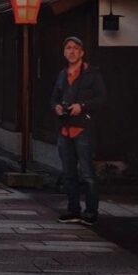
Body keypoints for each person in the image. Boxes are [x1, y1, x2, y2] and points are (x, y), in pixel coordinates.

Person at [50, 35, 106, 226]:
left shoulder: (92, 74)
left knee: (87, 172)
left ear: (82, 52)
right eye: (68, 48)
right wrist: (57, 107)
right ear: (64, 52)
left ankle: (91, 212)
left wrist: (82, 106)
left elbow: (101, 99)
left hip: (83, 128)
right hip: (65, 128)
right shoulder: (62, 74)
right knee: (68, 173)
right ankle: (73, 210)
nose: (71, 51)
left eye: (75, 48)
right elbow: (54, 98)